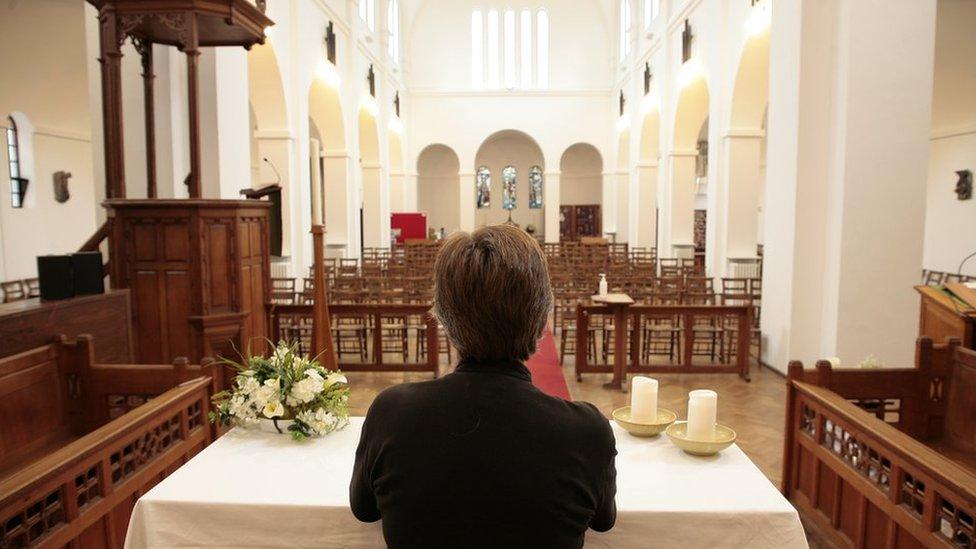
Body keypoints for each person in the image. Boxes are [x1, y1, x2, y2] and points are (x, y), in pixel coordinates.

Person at [350, 224, 617, 548]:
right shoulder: (586, 431)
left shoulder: (392, 414)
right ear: (539, 319)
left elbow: (364, 510)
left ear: (444, 318)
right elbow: (604, 520)